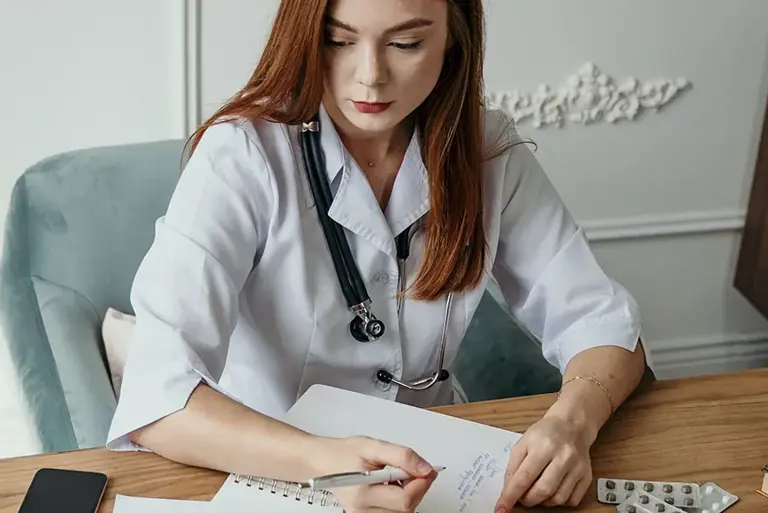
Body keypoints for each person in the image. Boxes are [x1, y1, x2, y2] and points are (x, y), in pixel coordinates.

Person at [106, 0, 652, 511]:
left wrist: (571, 423)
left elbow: (603, 324)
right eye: (339, 41)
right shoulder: (242, 156)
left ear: (453, 41)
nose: (370, 75)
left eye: (406, 44)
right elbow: (158, 399)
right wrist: (323, 463)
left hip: (442, 469)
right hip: (272, 466)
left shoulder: (486, 149)